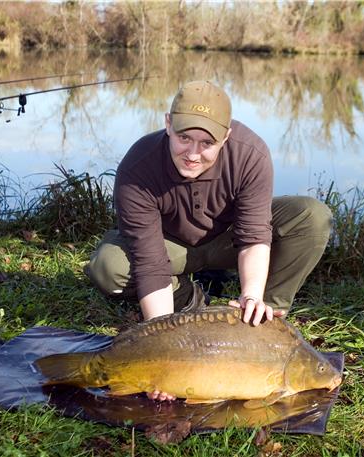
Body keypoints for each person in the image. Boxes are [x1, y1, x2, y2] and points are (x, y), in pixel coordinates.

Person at [85, 81, 331, 396]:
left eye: (206, 143)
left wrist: (252, 293)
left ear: (226, 137)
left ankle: (264, 320)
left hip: (229, 240)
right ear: (168, 124)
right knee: (108, 266)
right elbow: (150, 261)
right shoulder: (138, 166)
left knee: (312, 217)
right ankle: (188, 301)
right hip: (169, 246)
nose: (193, 153)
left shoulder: (250, 154)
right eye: (184, 138)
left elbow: (254, 235)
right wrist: (166, 350)